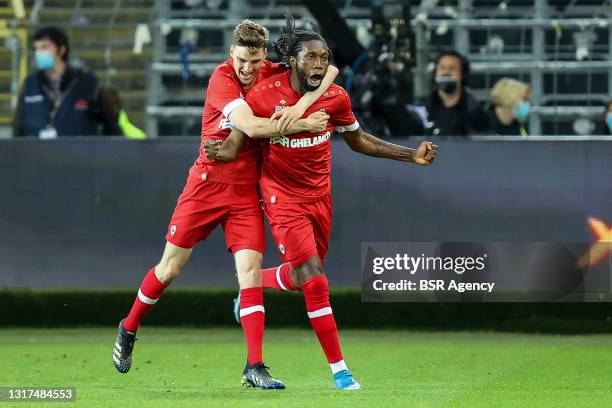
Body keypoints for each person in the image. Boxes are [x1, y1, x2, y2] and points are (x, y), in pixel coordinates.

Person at [205, 15, 437, 390]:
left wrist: (411, 156)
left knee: (301, 278)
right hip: (282, 198)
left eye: (323, 57)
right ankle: (340, 371)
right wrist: (222, 150)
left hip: (320, 197)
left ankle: (251, 286)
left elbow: (359, 140)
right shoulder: (264, 92)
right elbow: (241, 135)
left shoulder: (335, 96)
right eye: (310, 57)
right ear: (292, 61)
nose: (318, 64)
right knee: (314, 278)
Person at [111, 19, 339, 390]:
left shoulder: (273, 71)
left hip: (247, 193)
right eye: (240, 61)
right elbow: (250, 127)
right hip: (206, 186)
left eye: (253, 62)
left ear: (263, 54)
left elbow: (329, 69)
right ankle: (130, 325)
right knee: (170, 268)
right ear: (230, 54)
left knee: (250, 273)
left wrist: (309, 100)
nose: (247, 70)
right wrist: (303, 123)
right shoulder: (221, 80)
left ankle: (254, 366)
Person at [12, 26, 121, 138]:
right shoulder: (30, 83)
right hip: (37, 153)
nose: (39, 53)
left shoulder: (85, 82)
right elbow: (18, 125)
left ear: (61, 50)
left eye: (45, 47)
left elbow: (110, 124)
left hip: (78, 153)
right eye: (36, 49)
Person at [413, 50, 487, 137]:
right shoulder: (421, 107)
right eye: (442, 68)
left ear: (462, 74)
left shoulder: (475, 111)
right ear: (435, 73)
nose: (446, 73)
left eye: (452, 68)